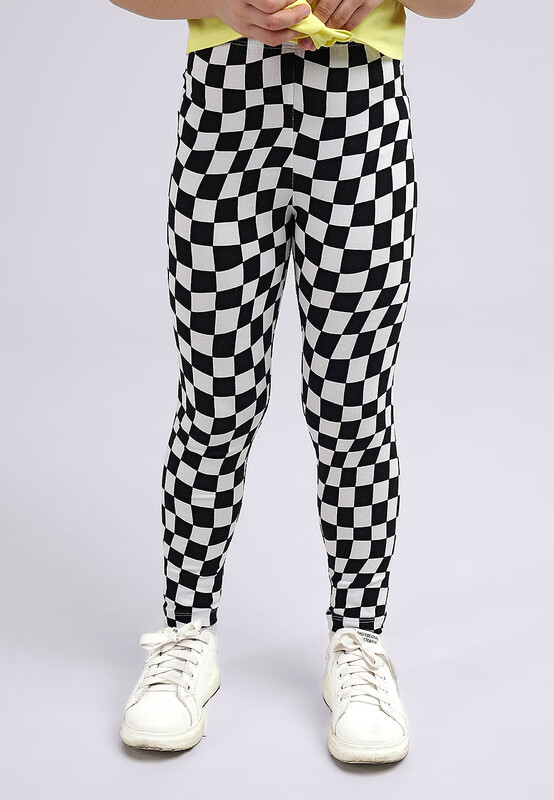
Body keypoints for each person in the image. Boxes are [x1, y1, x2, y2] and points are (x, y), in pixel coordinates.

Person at [110, 0, 475, 764]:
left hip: (359, 120)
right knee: (215, 400)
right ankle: (185, 633)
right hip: (223, 118)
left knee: (352, 406)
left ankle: (358, 642)